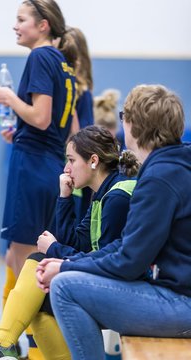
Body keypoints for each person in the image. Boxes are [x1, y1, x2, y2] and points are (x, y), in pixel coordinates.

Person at [0, 125, 139, 360]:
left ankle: (1, 343)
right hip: (110, 282)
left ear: (93, 160)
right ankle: (2, 343)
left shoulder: (118, 197)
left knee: (41, 270)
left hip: (127, 293)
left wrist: (54, 250)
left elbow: (107, 262)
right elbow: (77, 241)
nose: (66, 168)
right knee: (40, 292)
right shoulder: (103, 192)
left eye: (71, 160)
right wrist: (65, 197)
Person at [34, 84, 191, 360]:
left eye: (123, 117)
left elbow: (128, 262)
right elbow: (125, 245)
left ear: (134, 125)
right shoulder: (171, 166)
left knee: (65, 287)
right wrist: (66, 263)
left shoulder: (159, 179)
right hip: (176, 293)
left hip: (180, 303)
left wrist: (66, 266)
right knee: (66, 279)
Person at [0, 1, 78, 358]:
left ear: (43, 25)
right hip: (47, 162)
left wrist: (11, 99)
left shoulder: (41, 58)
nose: (15, 25)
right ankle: (15, 341)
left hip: (32, 166)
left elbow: (42, 118)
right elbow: (61, 126)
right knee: (20, 252)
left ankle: (22, 345)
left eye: (21, 19)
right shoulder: (62, 62)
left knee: (27, 260)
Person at [65, 27, 94, 226]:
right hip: (64, 165)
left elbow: (80, 138)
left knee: (72, 226)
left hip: (74, 170)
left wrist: (69, 107)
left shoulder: (82, 94)